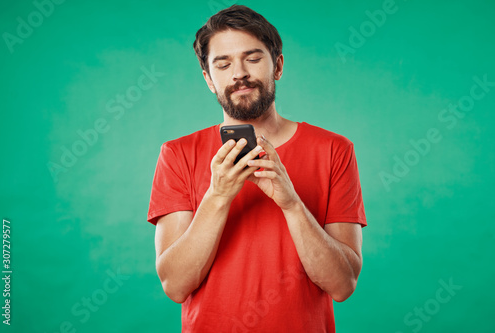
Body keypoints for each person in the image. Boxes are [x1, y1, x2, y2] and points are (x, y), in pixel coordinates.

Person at [147, 5, 366, 332]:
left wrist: (291, 203)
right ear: (209, 79)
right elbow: (176, 285)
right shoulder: (177, 154)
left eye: (252, 59)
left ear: (277, 66)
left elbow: (343, 285)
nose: (239, 73)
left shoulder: (334, 150)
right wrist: (217, 197)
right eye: (223, 64)